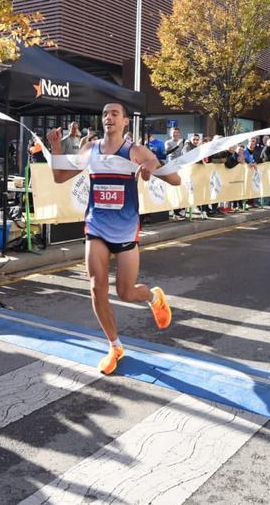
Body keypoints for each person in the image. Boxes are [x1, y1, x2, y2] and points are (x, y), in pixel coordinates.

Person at [48, 102, 178, 375]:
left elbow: (175, 179)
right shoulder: (90, 150)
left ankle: (153, 297)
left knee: (126, 292)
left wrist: (151, 167)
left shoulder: (135, 151)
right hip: (96, 227)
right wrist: (56, 148)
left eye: (114, 114)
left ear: (125, 121)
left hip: (126, 230)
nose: (108, 117)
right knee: (97, 287)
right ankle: (114, 345)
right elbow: (60, 177)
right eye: (105, 113)